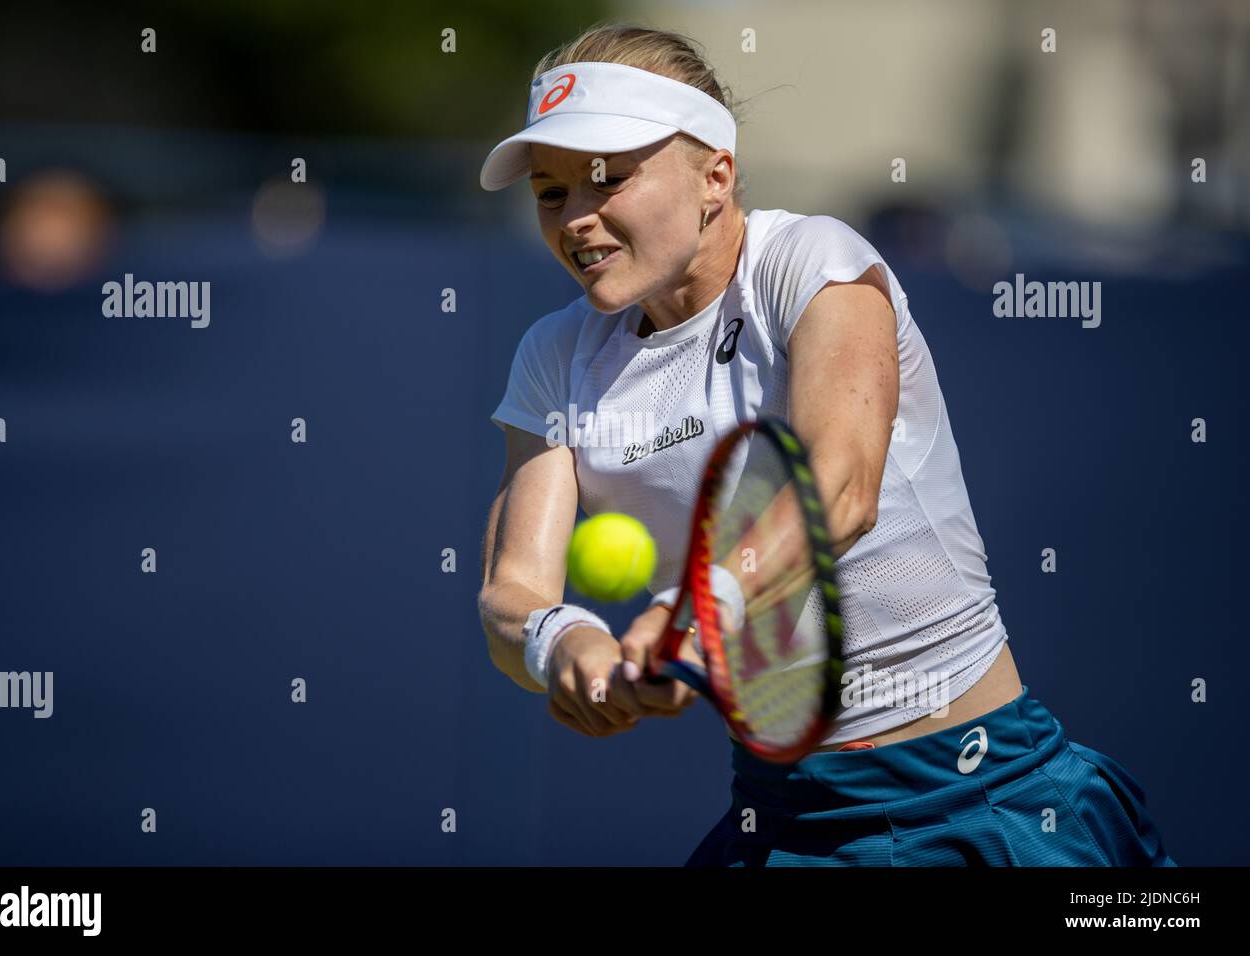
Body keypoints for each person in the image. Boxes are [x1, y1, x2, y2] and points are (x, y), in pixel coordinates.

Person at [476, 23, 1174, 867]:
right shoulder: (556, 354)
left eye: (607, 180)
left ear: (715, 176)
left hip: (997, 801)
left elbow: (840, 487)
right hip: (785, 821)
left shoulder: (812, 261)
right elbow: (512, 590)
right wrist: (570, 648)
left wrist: (699, 610)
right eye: (550, 194)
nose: (576, 219)